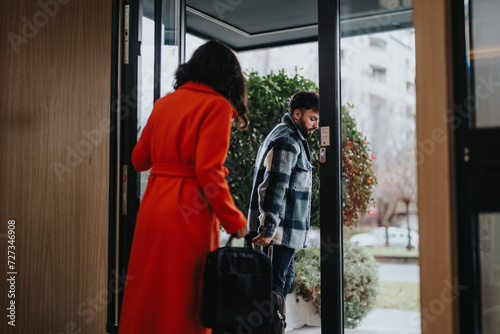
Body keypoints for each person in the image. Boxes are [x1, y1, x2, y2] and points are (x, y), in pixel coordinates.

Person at [119, 40, 249, 334]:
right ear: (227, 76)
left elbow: (139, 160)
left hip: (153, 208)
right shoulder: (217, 105)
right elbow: (208, 171)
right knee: (184, 297)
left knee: (149, 291)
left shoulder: (164, 103)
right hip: (188, 212)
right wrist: (235, 220)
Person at [248, 91, 319, 298]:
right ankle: (269, 329)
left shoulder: (288, 135)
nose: (315, 125)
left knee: (281, 284)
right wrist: (268, 228)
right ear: (297, 114)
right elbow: (274, 186)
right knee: (274, 289)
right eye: (312, 119)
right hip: (278, 233)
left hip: (283, 234)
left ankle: (274, 327)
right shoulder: (288, 140)